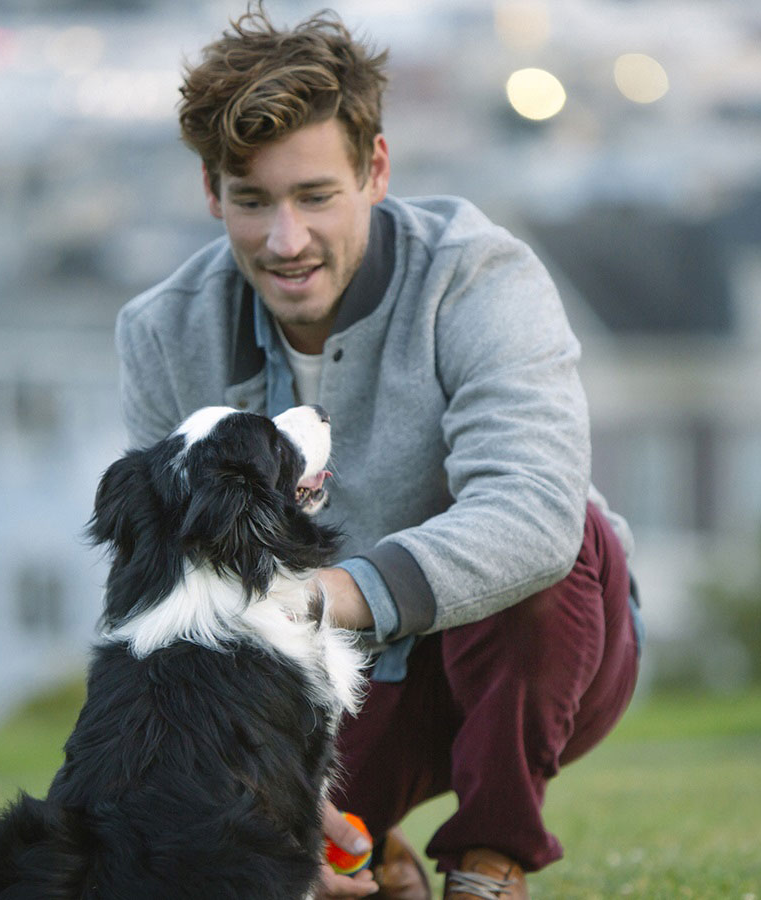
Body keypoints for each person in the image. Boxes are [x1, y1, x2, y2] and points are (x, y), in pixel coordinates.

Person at [115, 7, 641, 898]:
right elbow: (164, 606)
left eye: (315, 195)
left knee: (567, 541)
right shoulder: (163, 333)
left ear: (376, 170)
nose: (286, 242)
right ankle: (369, 842)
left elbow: (534, 513)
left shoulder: (480, 277)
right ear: (212, 191)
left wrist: (318, 600)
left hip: (529, 662)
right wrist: (271, 812)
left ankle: (489, 862)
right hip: (323, 697)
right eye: (253, 201)